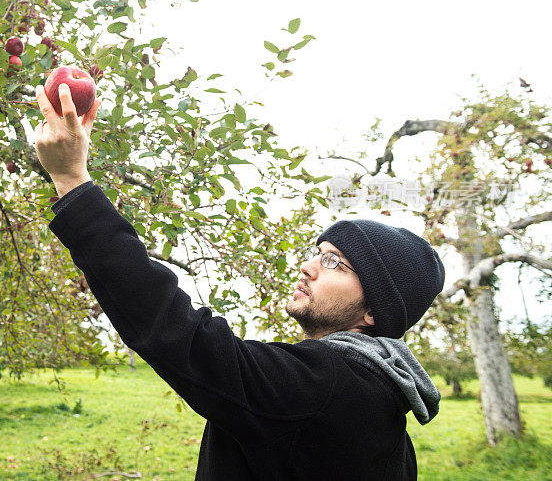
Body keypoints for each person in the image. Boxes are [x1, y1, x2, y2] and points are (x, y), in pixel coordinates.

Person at [33, 84, 445, 481]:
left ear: (375, 311)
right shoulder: (386, 408)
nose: (308, 267)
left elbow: (180, 334)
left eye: (335, 263)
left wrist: (72, 180)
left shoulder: (325, 387)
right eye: (317, 251)